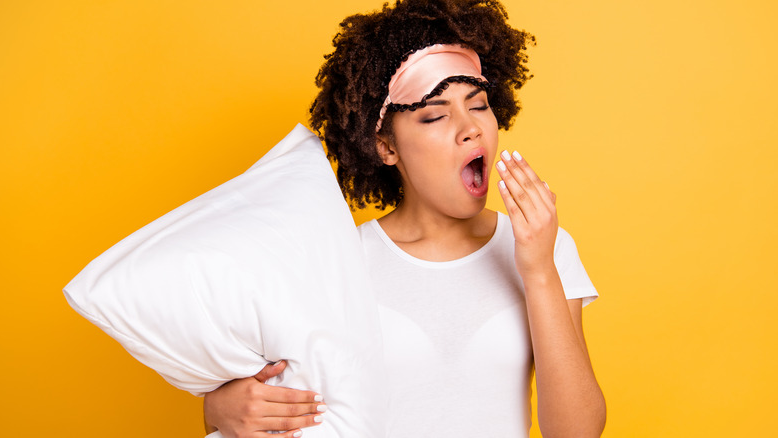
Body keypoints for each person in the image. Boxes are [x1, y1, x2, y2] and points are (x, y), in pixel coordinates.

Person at [203, 0, 606, 437]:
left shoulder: (546, 247)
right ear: (386, 147)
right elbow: (265, 398)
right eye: (434, 114)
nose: (469, 127)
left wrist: (540, 271)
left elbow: (577, 433)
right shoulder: (339, 260)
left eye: (479, 104)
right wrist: (221, 410)